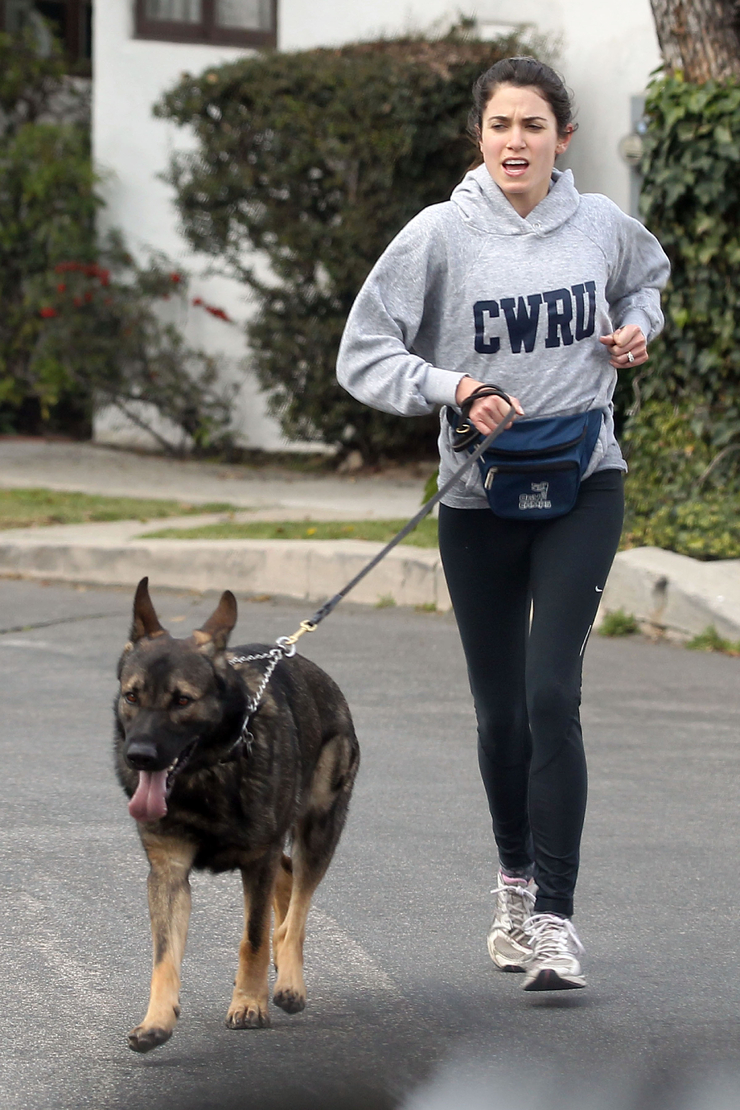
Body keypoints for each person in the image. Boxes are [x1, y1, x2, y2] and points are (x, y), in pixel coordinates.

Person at [336, 56, 669, 991]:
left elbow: (649, 283)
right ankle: (515, 891)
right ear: (478, 138)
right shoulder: (440, 236)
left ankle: (557, 922)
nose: (515, 141)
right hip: (478, 499)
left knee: (551, 693)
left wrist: (637, 329)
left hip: (584, 486)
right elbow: (364, 355)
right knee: (500, 717)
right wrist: (453, 387)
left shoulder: (600, 225)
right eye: (499, 126)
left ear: (563, 136)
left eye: (532, 125)